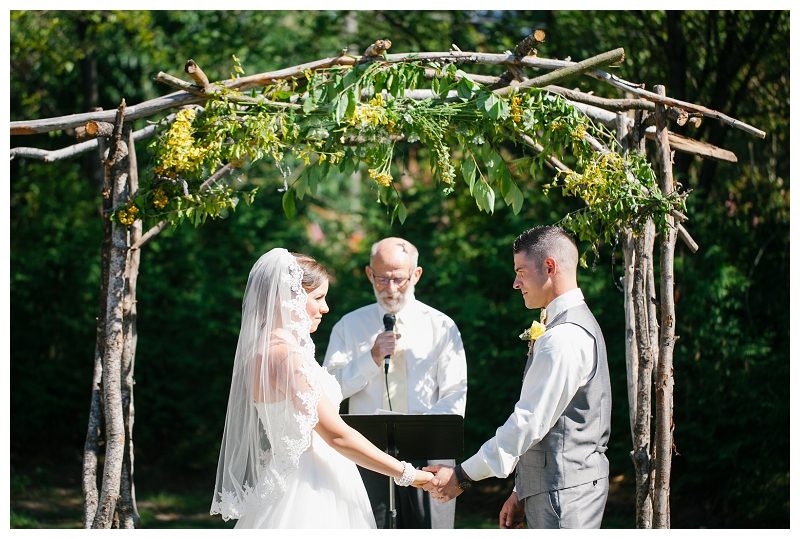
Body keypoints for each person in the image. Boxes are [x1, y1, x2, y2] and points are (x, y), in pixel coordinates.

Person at [210, 248, 433, 528]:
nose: (325, 308)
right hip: (313, 488)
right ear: (288, 299)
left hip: (288, 477)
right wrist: (408, 474)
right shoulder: (287, 357)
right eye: (318, 298)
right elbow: (337, 435)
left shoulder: (263, 352)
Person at [422, 225, 611, 529]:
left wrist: (462, 475)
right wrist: (522, 490)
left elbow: (529, 422)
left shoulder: (564, 337)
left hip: (564, 494)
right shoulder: (569, 325)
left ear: (549, 267)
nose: (515, 283)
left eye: (521, 271)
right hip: (555, 488)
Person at [323, 237, 468, 529]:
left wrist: (424, 434)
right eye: (381, 278)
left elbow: (455, 393)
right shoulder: (349, 326)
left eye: (399, 279)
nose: (390, 288)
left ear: (416, 275)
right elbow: (326, 393)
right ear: (368, 274)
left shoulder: (441, 326)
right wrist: (371, 358)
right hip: (366, 452)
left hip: (430, 453)